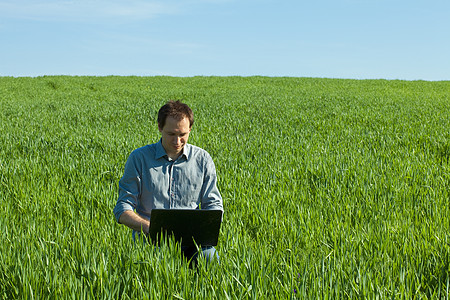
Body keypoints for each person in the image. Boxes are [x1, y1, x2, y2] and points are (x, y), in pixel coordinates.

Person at [113, 100, 223, 267]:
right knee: (152, 267)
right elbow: (122, 208)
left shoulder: (202, 160)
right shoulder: (139, 158)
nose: (177, 141)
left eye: (183, 134)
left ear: (190, 130)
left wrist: (204, 229)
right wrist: (152, 228)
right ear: (159, 127)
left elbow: (213, 204)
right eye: (171, 134)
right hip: (150, 240)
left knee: (209, 258)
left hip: (192, 242)